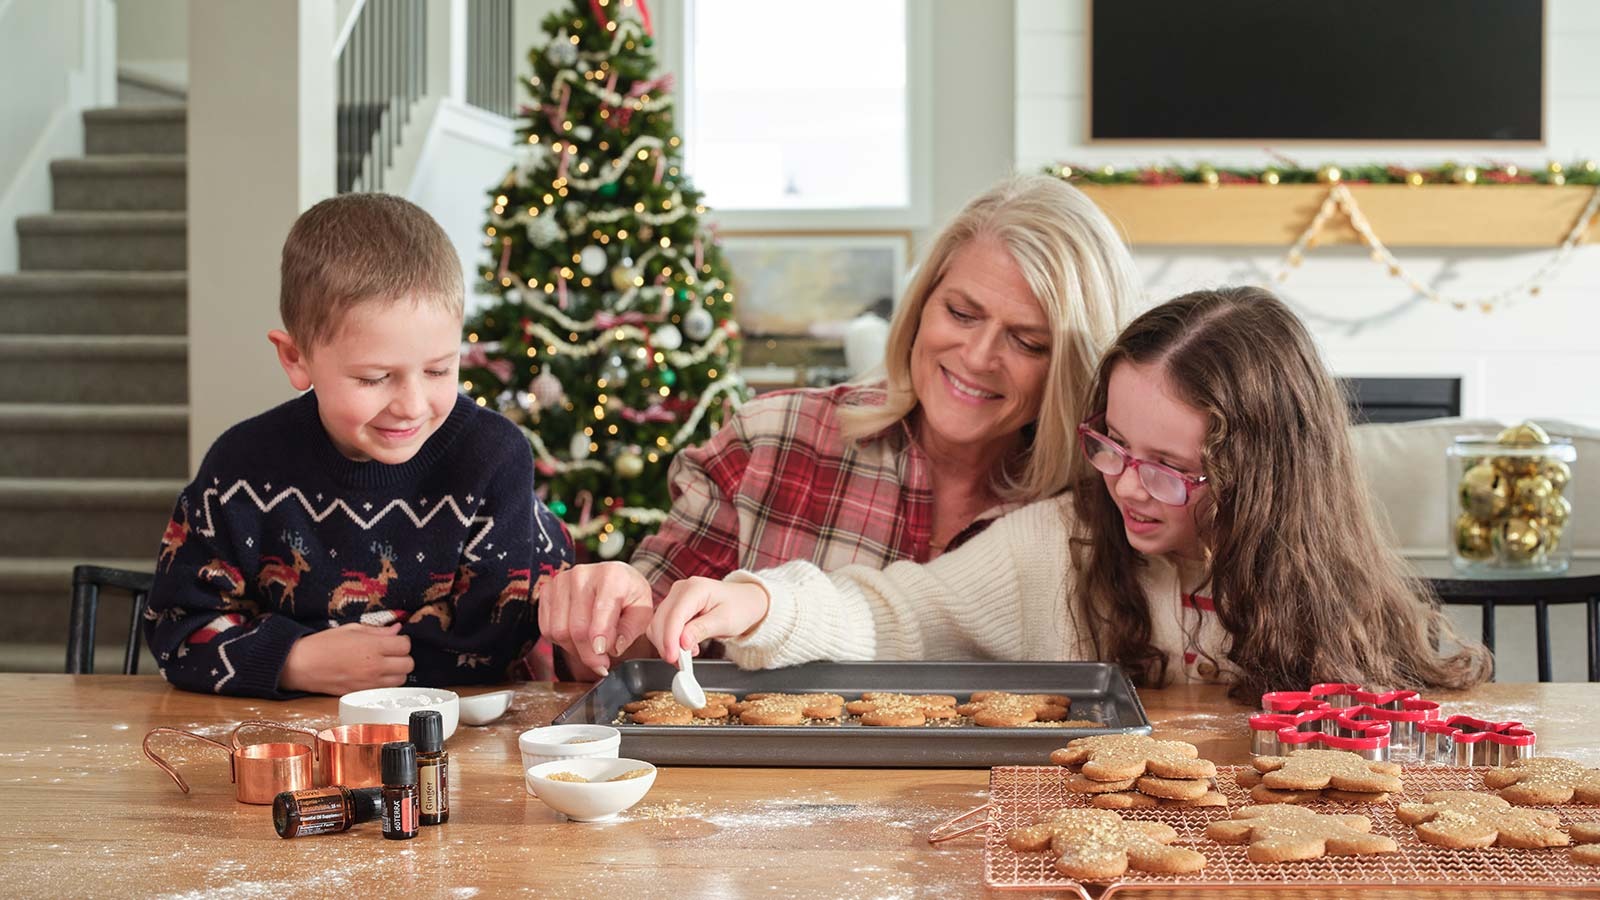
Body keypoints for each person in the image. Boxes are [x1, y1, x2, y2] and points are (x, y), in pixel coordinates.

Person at [642, 286, 1493, 701]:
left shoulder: (1334, 581)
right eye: (1110, 443)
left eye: (1165, 464)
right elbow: (898, 613)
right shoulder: (1061, 543)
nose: (1123, 482)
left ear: (1267, 473)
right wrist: (757, 603)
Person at [538, 173, 1142, 677]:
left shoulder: (1101, 505)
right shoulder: (773, 440)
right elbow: (635, 657)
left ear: (1073, 367)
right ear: (919, 305)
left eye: (1028, 341)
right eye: (961, 312)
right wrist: (603, 612)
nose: (979, 356)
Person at [144, 194, 575, 699]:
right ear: (295, 358)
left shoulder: (493, 456)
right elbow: (176, 629)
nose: (413, 405)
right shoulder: (239, 470)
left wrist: (371, 668)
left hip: (463, 742)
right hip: (287, 744)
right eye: (374, 378)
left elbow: (499, 639)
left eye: (439, 370)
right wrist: (292, 661)